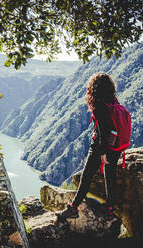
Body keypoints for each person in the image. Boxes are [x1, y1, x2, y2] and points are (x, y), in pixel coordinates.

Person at [57, 72, 122, 220]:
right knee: (109, 177)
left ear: (94, 88)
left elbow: (102, 132)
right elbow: (113, 129)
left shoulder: (99, 105)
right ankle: (111, 209)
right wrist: (110, 150)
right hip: (115, 145)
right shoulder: (113, 102)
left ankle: (73, 208)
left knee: (85, 178)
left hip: (100, 148)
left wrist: (103, 153)